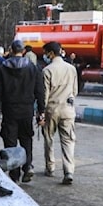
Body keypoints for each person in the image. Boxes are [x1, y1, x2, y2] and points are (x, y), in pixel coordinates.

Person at [0, 40, 46, 183]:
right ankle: (28, 166)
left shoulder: (2, 68)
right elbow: (40, 91)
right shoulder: (33, 68)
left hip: (9, 111)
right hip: (27, 110)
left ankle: (14, 174)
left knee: (10, 142)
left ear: (11, 50)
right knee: (27, 139)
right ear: (23, 51)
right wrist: (41, 111)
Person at [41, 41, 79, 185]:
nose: (45, 56)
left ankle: (50, 167)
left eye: (46, 53)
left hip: (52, 109)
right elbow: (75, 91)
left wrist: (41, 113)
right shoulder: (71, 69)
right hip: (68, 110)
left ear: (51, 53)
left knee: (49, 139)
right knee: (68, 140)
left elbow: (44, 94)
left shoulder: (47, 71)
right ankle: (69, 171)